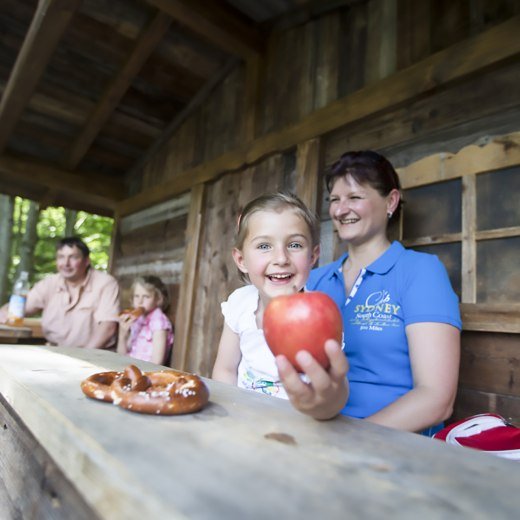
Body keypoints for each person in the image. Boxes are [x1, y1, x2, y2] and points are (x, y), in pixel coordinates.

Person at [277, 151, 461, 434]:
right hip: (317, 427)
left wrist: (354, 439)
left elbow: (436, 399)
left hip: (393, 441)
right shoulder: (314, 279)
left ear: (391, 201)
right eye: (334, 200)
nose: (340, 210)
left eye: (354, 197)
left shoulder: (420, 271)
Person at [212, 193, 349, 418]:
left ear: (313, 255)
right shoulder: (240, 304)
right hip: (246, 423)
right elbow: (225, 369)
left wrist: (327, 405)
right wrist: (232, 415)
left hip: (302, 427)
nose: (281, 258)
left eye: (294, 245)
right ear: (241, 260)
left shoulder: (320, 315)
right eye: (264, 246)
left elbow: (336, 388)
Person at [0, 236, 120, 349]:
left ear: (87, 261)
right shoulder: (49, 283)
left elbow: (108, 328)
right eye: (61, 257)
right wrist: (6, 310)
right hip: (56, 353)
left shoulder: (106, 283)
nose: (66, 263)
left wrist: (82, 357)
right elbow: (20, 307)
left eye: (73, 257)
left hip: (94, 356)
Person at [117, 275, 174, 365]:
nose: (140, 301)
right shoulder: (137, 319)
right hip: (128, 368)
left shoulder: (159, 322)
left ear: (158, 299)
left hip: (145, 373)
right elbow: (121, 356)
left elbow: (157, 362)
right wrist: (122, 334)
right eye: (136, 296)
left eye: (146, 297)